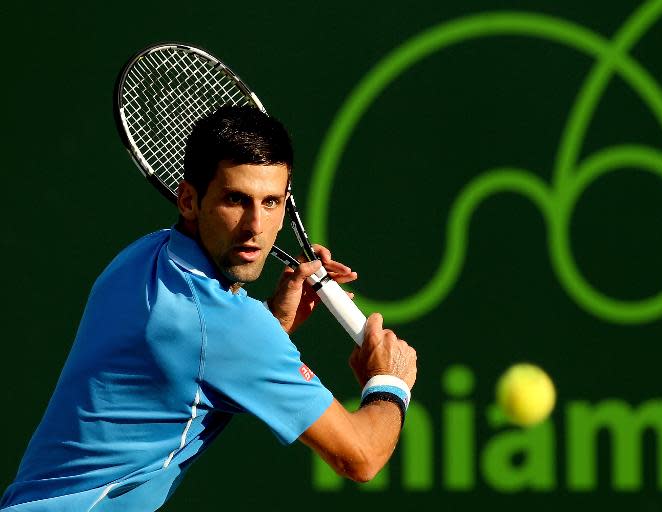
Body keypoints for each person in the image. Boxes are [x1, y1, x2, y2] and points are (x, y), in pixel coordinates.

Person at [0, 105, 417, 511]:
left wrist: (276, 321)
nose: (255, 226)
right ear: (188, 200)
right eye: (235, 200)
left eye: (271, 202)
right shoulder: (224, 327)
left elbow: (197, 366)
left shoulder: (143, 255)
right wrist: (389, 381)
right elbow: (361, 456)